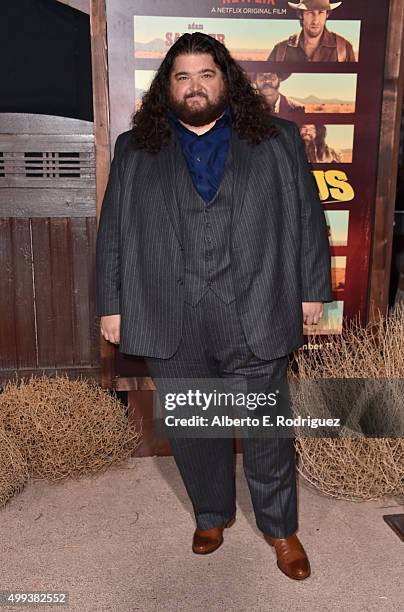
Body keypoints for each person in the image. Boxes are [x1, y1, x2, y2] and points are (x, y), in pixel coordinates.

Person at [96, 32, 332, 581]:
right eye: (182, 76)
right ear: (167, 87)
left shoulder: (277, 138)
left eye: (206, 74)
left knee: (266, 428)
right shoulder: (136, 148)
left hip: (256, 305)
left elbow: (305, 216)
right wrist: (113, 304)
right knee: (194, 424)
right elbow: (114, 233)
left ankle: (280, 527)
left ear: (226, 79)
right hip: (168, 310)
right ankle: (210, 514)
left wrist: (312, 289)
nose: (194, 86)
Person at [268, 0, 356, 62]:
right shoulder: (281, 50)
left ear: (327, 14)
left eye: (321, 12)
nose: (316, 20)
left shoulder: (344, 48)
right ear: (301, 15)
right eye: (310, 12)